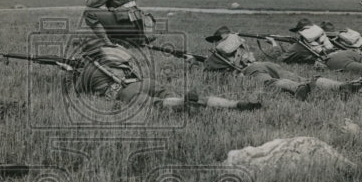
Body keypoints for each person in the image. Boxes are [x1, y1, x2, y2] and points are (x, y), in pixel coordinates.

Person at [72, 42, 262, 111]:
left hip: (125, 91)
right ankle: (234, 104)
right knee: (169, 96)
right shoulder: (112, 57)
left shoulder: (87, 70)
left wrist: (73, 75)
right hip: (144, 82)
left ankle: (183, 103)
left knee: (160, 106)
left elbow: (77, 92)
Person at [203, 27, 315, 98]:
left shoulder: (219, 53)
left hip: (251, 70)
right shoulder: (240, 43)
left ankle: (296, 88)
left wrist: (193, 61)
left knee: (269, 82)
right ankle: (326, 84)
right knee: (299, 78)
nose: (214, 43)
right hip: (264, 64)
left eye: (215, 40)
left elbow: (208, 69)